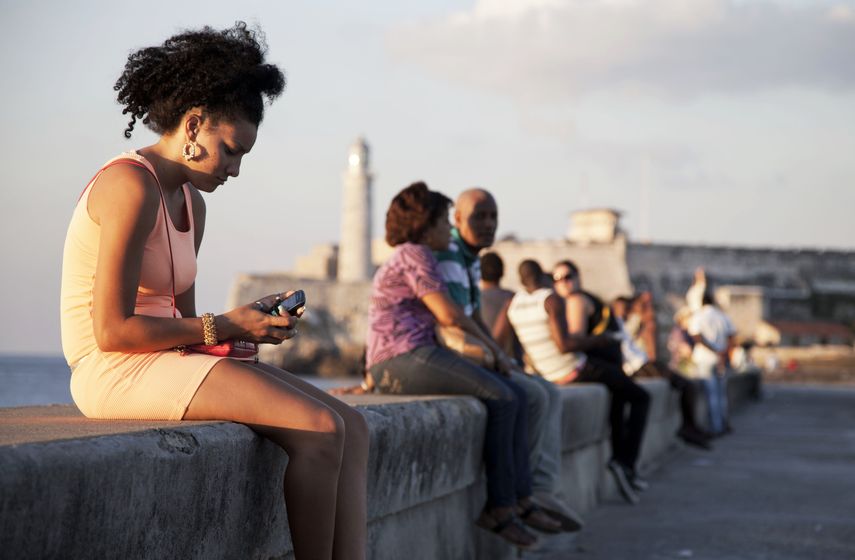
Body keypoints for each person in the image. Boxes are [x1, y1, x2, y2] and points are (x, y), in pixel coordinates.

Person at [59, 24, 368, 560]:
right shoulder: (128, 186)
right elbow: (110, 331)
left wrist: (245, 334)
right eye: (231, 151)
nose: (235, 169)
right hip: (110, 368)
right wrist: (224, 325)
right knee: (320, 429)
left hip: (159, 361)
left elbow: (185, 324)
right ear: (194, 124)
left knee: (354, 426)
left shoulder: (191, 205)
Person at [365, 182, 552, 549]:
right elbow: (448, 314)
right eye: (441, 223)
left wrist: (493, 352)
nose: (446, 231)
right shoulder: (415, 254)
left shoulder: (420, 254)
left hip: (411, 354)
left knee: (510, 392)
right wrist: (493, 351)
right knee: (502, 395)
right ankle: (500, 508)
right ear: (424, 224)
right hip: (401, 358)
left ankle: (516, 500)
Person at [434, 189, 582, 532]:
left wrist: (500, 356)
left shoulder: (468, 259)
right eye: (479, 217)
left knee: (547, 393)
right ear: (456, 220)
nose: (488, 224)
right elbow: (454, 323)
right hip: (453, 355)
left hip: (472, 352)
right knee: (526, 395)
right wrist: (496, 357)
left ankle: (537, 491)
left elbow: (475, 320)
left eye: (493, 217)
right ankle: (519, 497)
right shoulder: (450, 257)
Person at [499, 260, 650, 505]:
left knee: (617, 387)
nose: (561, 283)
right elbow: (566, 345)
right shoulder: (551, 300)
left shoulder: (513, 303)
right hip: (572, 369)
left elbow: (499, 342)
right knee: (641, 397)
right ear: (545, 279)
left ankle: (622, 462)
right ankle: (625, 461)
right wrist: (601, 340)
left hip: (548, 374)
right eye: (557, 279)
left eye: (566, 277)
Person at [612, 297, 713, 450]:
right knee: (686, 385)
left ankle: (690, 426)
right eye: (625, 308)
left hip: (643, 363)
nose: (628, 311)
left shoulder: (625, 324)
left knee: (687, 385)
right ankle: (689, 427)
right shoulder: (621, 324)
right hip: (639, 366)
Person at [687, 291, 736, 436]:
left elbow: (697, 337)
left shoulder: (699, 316)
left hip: (705, 359)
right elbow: (731, 337)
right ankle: (723, 423)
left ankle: (715, 427)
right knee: (721, 394)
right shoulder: (723, 316)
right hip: (721, 359)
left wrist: (714, 350)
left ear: (702, 302)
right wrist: (723, 352)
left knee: (712, 395)